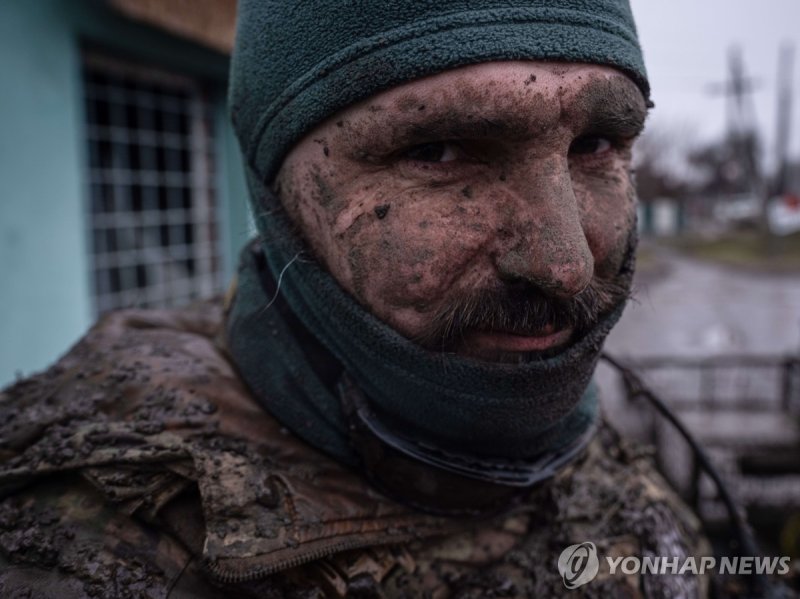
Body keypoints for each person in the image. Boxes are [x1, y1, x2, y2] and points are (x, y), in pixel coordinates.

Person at [0, 1, 711, 597]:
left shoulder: (615, 455)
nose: (565, 265)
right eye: (437, 151)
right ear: (276, 189)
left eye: (595, 143)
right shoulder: (89, 542)